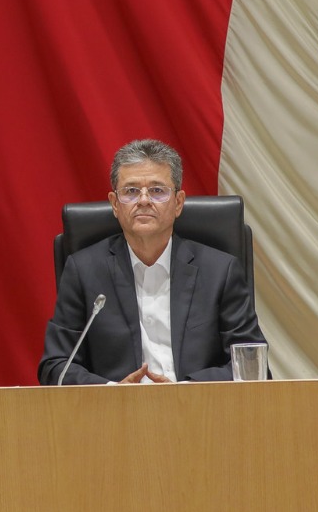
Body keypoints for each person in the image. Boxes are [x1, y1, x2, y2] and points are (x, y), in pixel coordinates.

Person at [39, 139, 265, 384]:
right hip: (116, 407)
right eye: (131, 191)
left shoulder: (220, 271)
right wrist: (111, 392)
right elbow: (56, 366)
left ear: (178, 203)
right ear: (115, 204)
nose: (144, 200)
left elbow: (252, 364)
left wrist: (185, 391)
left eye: (157, 190)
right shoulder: (83, 271)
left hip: (197, 405)